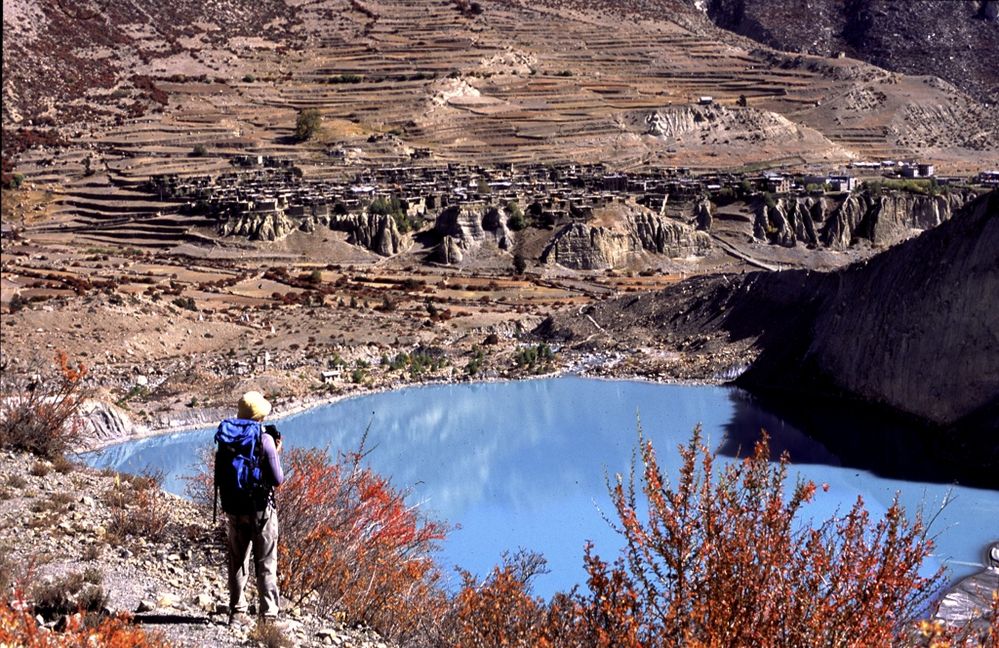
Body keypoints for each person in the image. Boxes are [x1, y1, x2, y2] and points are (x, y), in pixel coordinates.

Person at [225, 391, 284, 626]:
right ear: (260, 417)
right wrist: (276, 452)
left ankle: (237, 612)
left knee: (237, 560)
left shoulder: (227, 438)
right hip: (261, 511)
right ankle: (268, 615)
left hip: (234, 508)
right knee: (266, 562)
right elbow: (277, 479)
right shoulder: (265, 440)